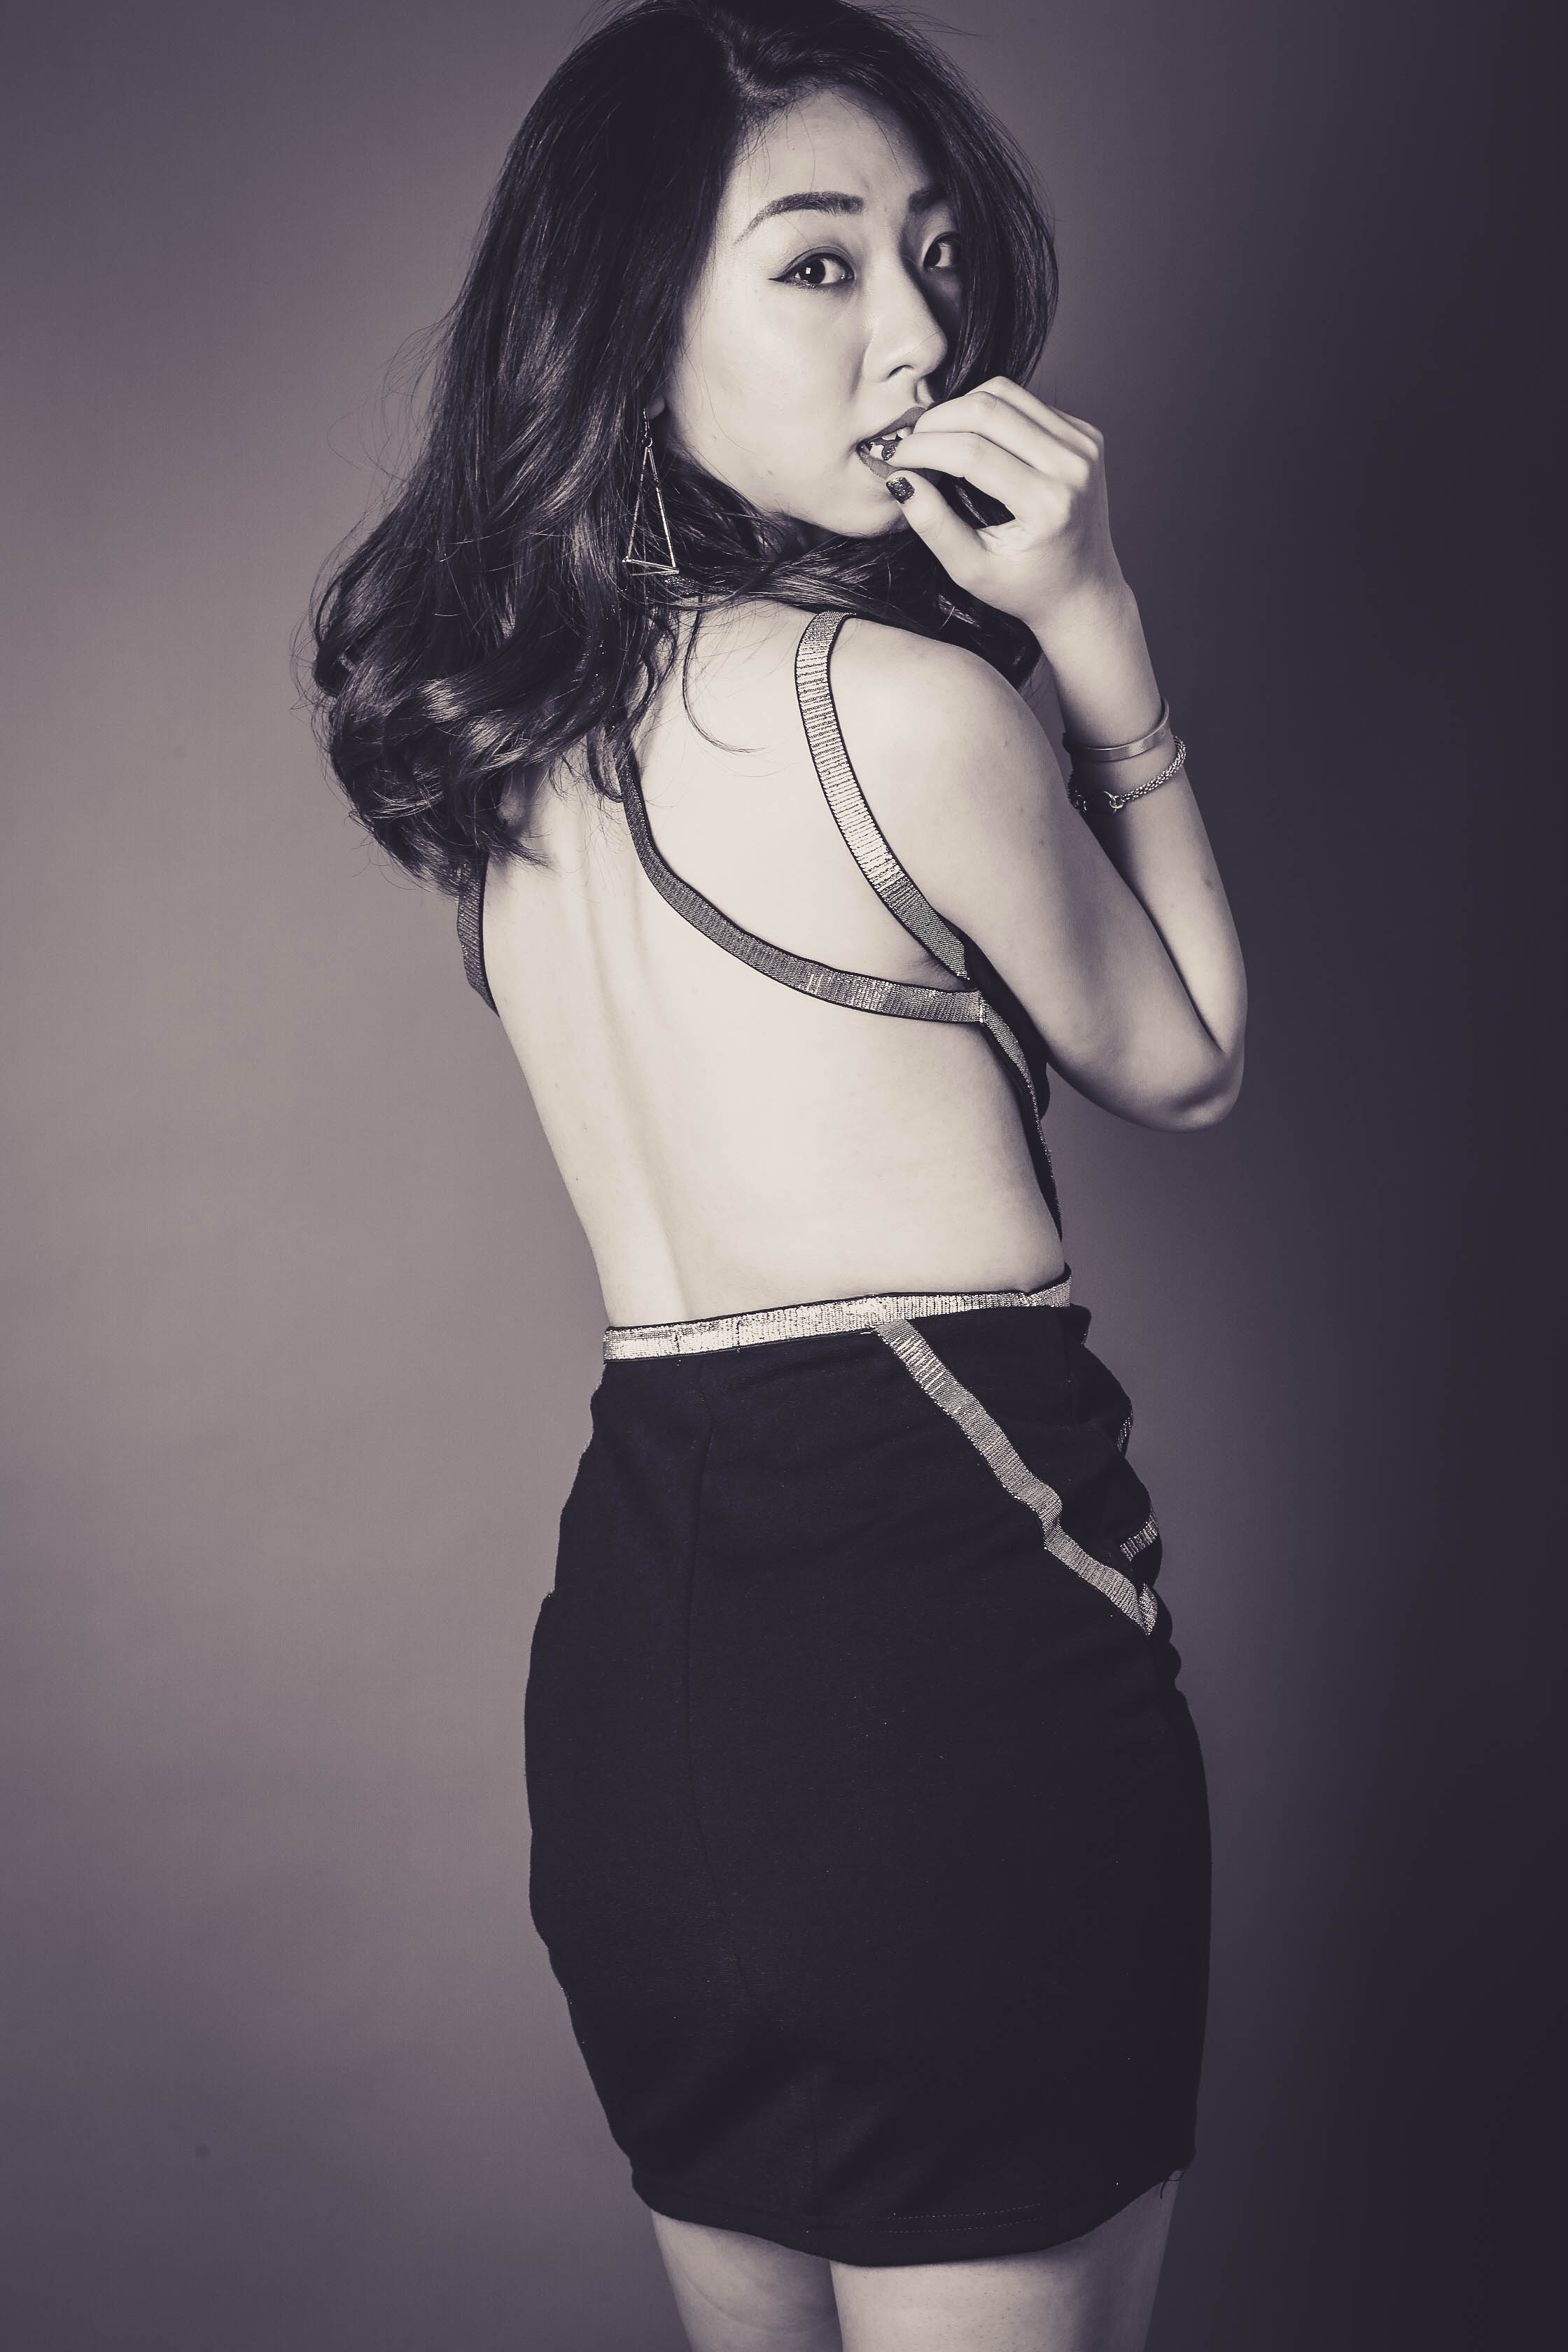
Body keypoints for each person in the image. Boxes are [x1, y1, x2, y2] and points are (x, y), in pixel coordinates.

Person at [306, 3, 1247, 2344]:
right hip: (941, 1621)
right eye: (818, 265)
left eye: (932, 258)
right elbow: (1195, 1061)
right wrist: (1097, 632)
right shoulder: (910, 709)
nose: (917, 336)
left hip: (646, 1662)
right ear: (632, 319)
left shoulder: (509, 760)